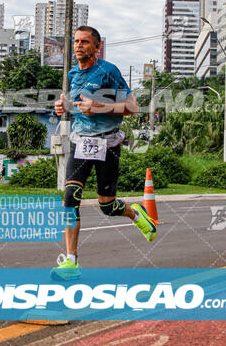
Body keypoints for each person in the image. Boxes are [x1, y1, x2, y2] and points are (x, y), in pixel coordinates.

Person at [52, 26, 157, 280]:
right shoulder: (73, 73)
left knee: (106, 206)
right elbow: (77, 105)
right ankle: (71, 262)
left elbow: (133, 107)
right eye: (76, 41)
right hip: (81, 141)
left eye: (85, 42)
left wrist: (98, 107)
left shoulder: (109, 72)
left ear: (97, 47)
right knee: (70, 196)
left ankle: (135, 213)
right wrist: (63, 106)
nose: (78, 46)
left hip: (107, 144)